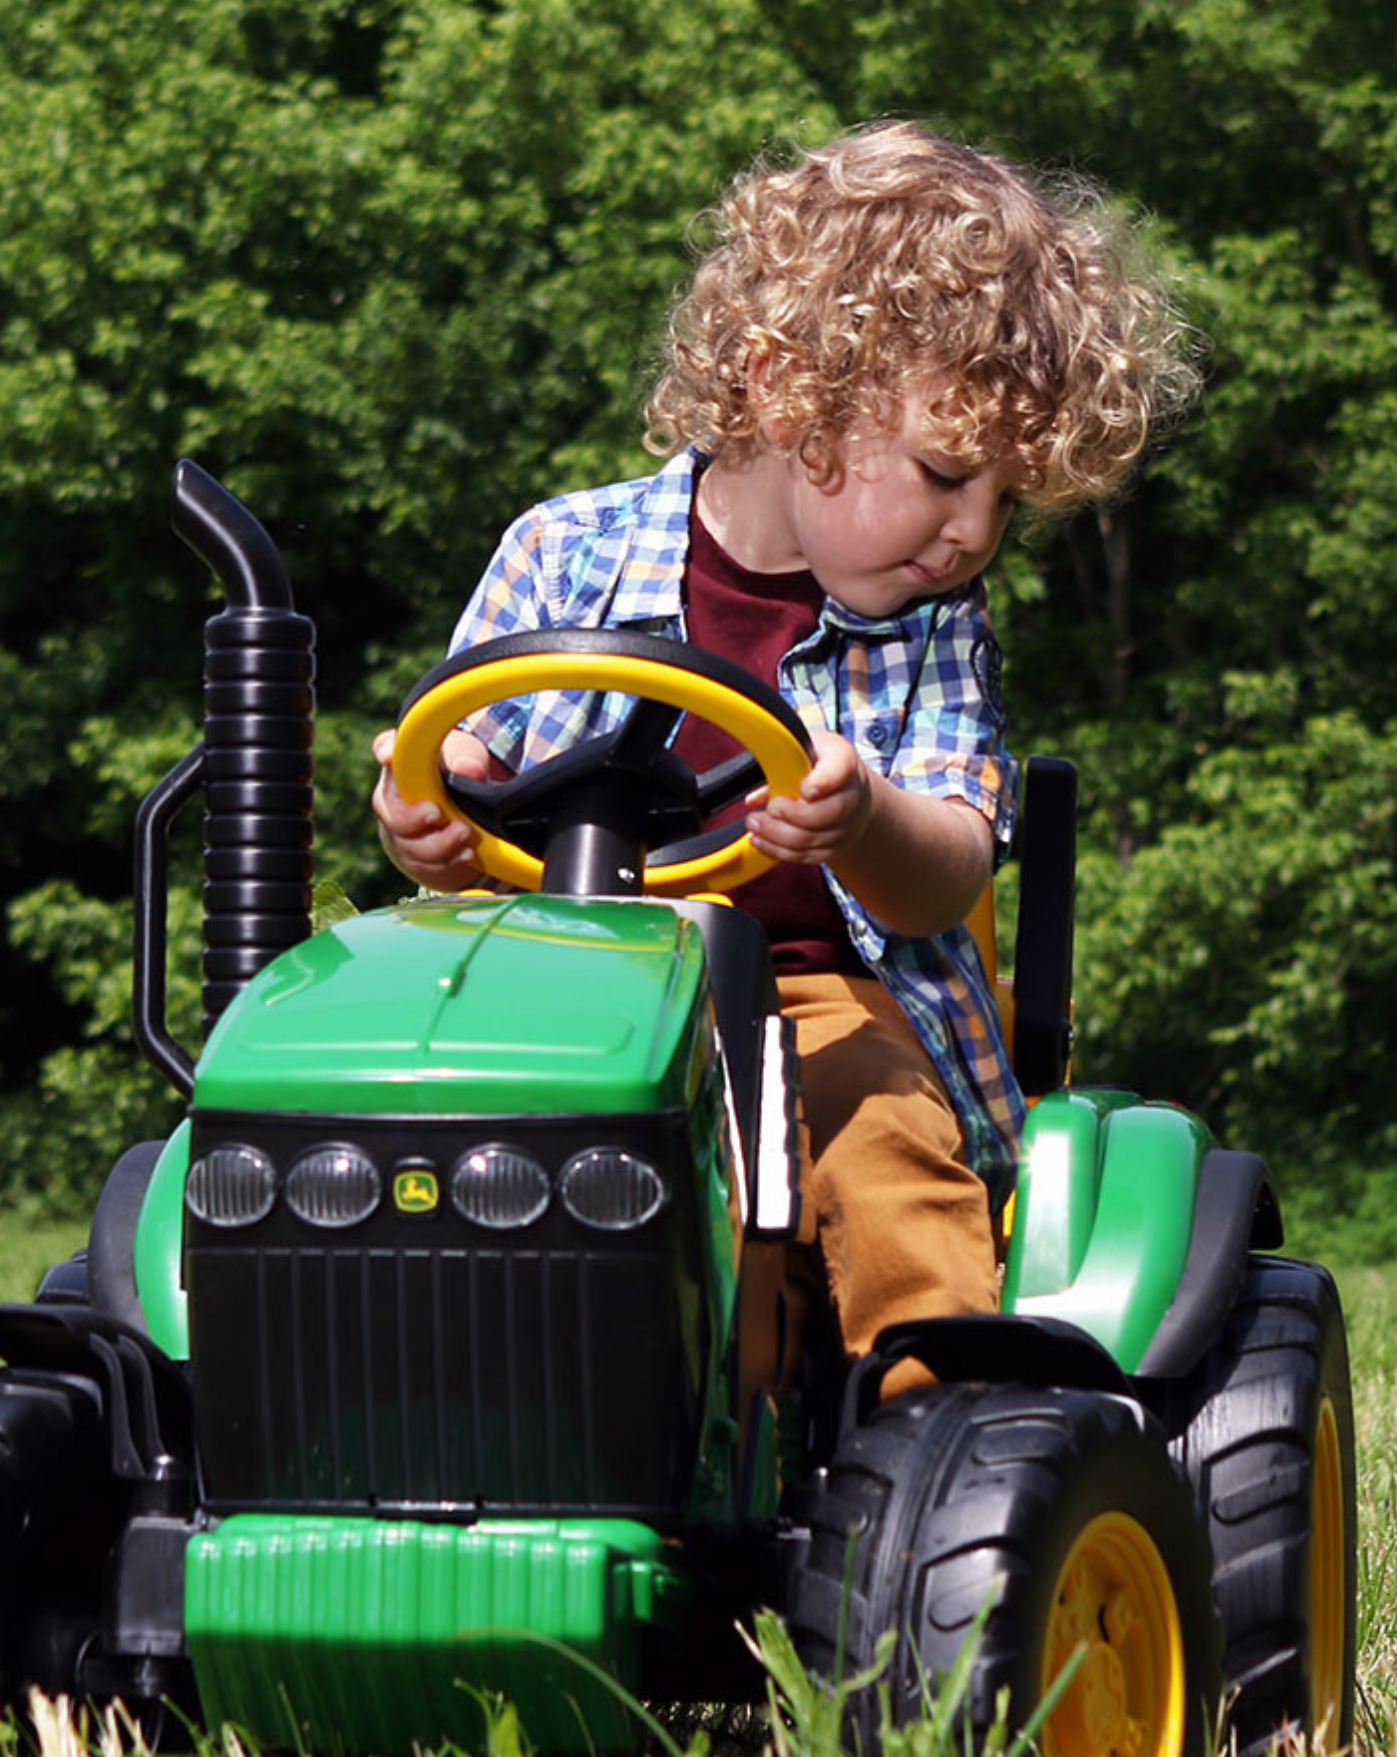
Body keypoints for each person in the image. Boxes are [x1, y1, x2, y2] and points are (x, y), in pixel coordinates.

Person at [371, 122, 1198, 1386]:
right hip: (549, 990)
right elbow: (457, 756)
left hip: (809, 1006)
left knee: (886, 1161)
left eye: (1003, 500)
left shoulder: (931, 634)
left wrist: (863, 816)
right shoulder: (563, 552)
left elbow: (945, 871)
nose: (970, 531)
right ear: (782, 390)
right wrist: (417, 816)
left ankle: (942, 1444)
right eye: (942, 471)